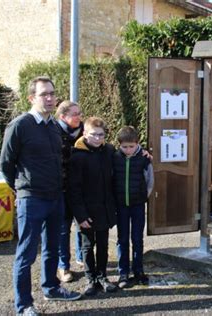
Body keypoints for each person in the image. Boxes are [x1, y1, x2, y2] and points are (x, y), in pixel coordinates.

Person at [0, 76, 82, 316]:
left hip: (56, 197)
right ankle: (24, 304)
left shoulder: (54, 126)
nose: (49, 98)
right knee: (26, 253)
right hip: (31, 198)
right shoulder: (20, 125)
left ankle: (51, 287)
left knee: (52, 247)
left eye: (52, 94)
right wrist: (21, 188)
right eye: (44, 94)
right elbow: (6, 163)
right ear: (31, 98)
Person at [67, 117, 118, 296]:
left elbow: (128, 155)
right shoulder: (77, 156)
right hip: (87, 211)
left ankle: (102, 276)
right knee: (87, 246)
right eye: (93, 135)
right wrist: (80, 215)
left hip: (104, 208)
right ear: (84, 134)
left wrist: (144, 154)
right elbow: (74, 189)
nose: (97, 138)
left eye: (101, 135)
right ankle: (90, 279)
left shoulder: (109, 151)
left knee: (103, 244)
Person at [113, 126, 154, 289]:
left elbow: (150, 180)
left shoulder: (144, 159)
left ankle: (139, 271)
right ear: (119, 145)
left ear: (138, 144)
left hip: (138, 205)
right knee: (122, 239)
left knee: (137, 239)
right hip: (121, 205)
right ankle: (123, 272)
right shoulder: (114, 158)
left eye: (132, 146)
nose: (128, 150)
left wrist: (144, 196)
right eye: (124, 147)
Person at [56, 100, 84, 283]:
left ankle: (82, 257)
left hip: (82, 188)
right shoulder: (53, 133)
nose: (79, 117)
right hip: (62, 189)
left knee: (83, 225)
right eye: (75, 114)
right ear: (63, 117)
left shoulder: (85, 130)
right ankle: (63, 266)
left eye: (80, 113)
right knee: (63, 229)